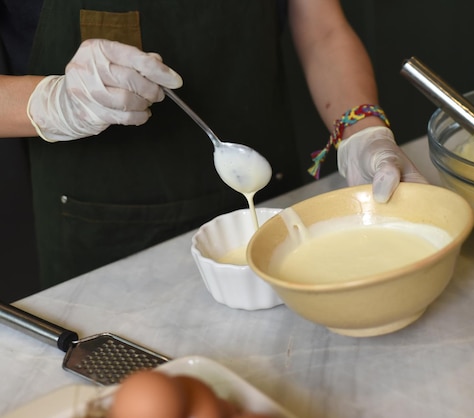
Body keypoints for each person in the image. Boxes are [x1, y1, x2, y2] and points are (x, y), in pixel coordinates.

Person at [1, 0, 426, 289]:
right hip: (98, 235)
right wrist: (54, 103)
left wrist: (363, 133)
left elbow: (322, 28)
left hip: (265, 202)